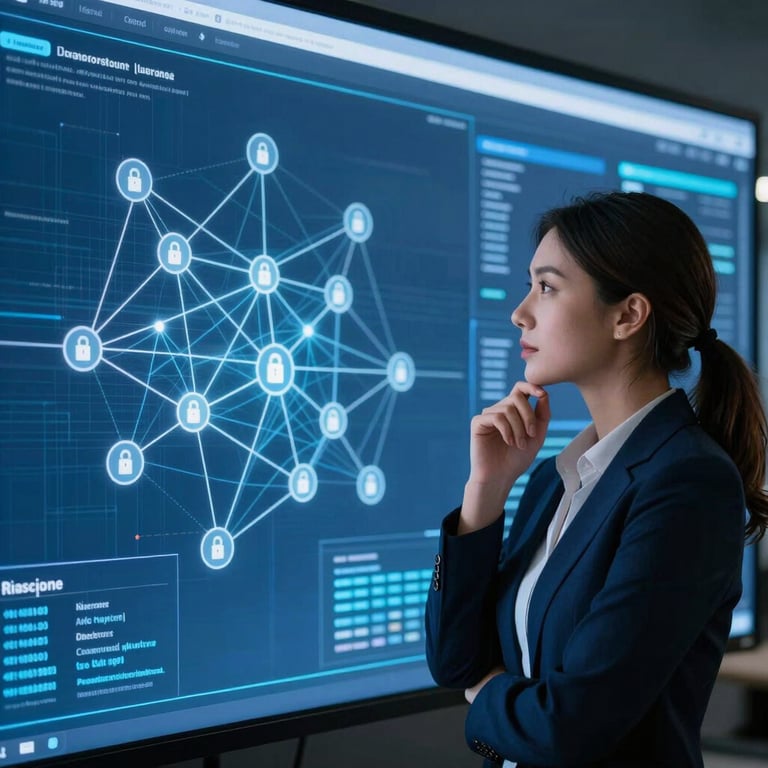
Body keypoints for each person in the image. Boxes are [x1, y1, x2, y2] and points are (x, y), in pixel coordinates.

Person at [425, 191, 768, 768]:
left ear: (627, 315)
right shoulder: (553, 482)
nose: (520, 312)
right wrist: (485, 491)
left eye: (547, 287)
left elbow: (570, 727)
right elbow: (454, 661)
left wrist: (487, 696)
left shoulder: (688, 483)